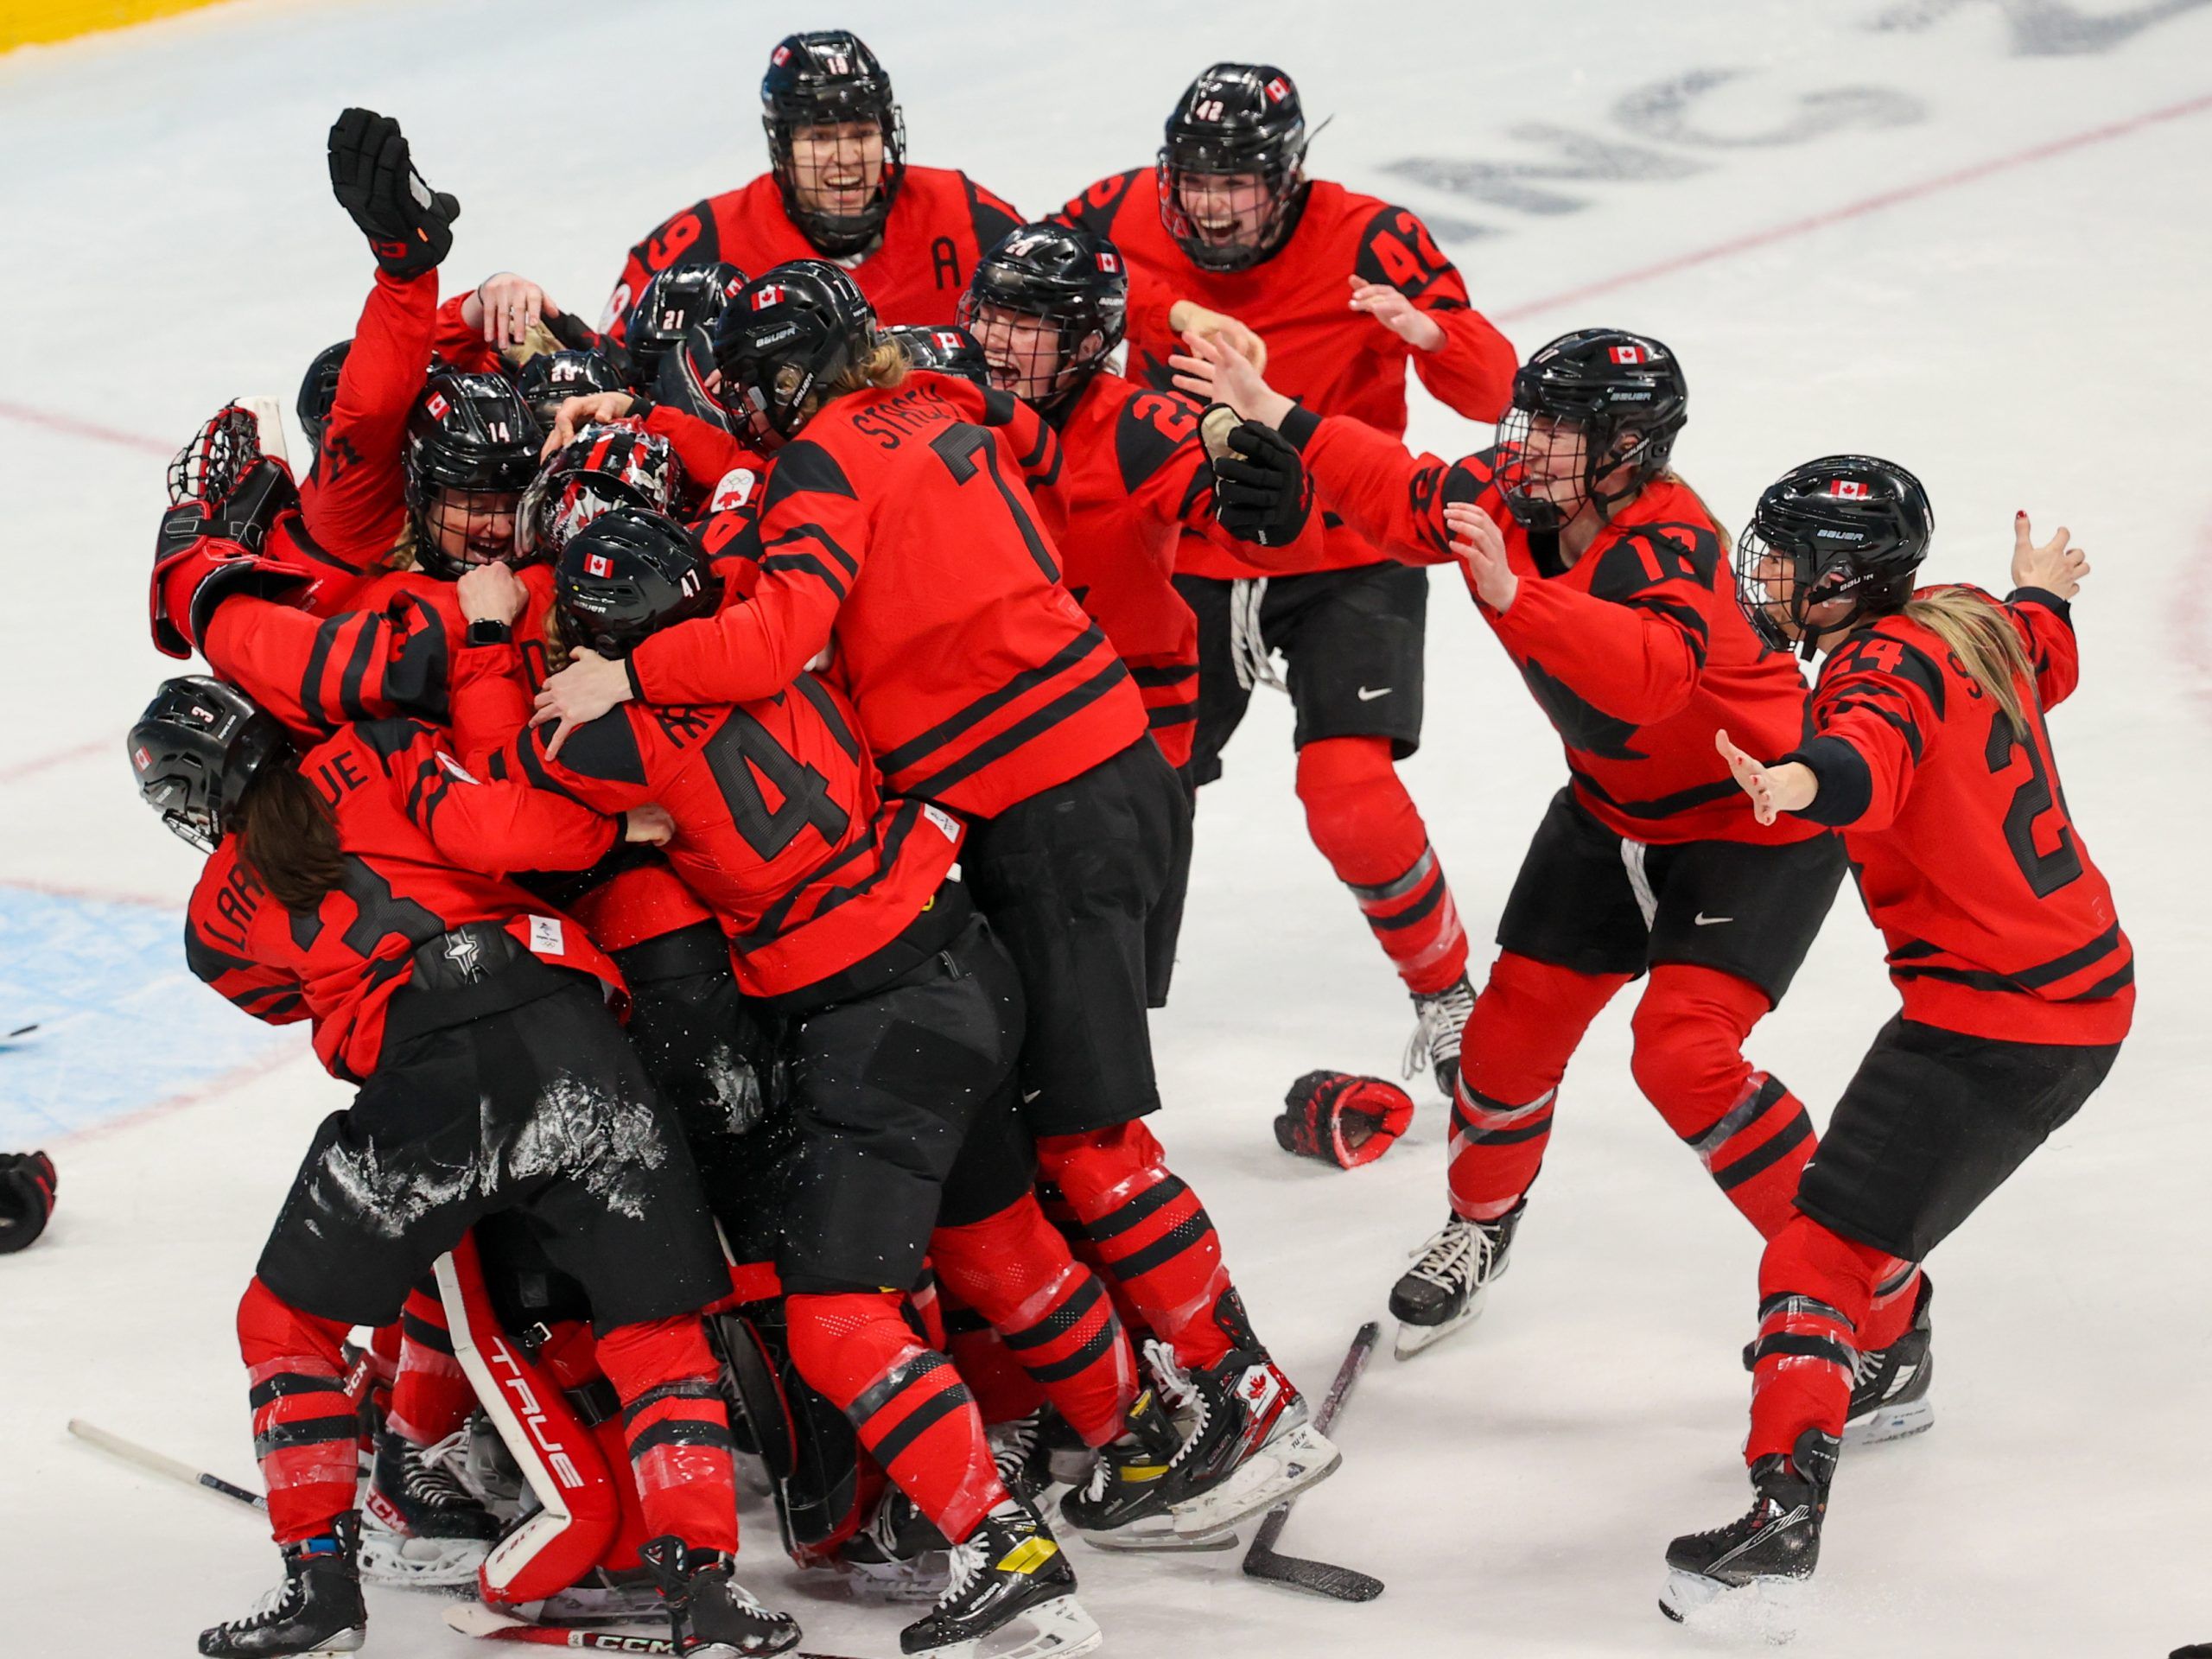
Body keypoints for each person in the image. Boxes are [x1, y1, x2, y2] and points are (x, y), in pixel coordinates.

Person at [531, 263, 1339, 1546]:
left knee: (1088, 1139)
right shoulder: (937, 400)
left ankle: (1246, 1397)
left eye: (756, 389)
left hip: (1049, 800)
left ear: (792, 380)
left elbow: (772, 640)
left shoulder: (820, 464)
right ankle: (1164, 1391)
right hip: (1102, 773)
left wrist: (626, 673)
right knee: (1064, 1122)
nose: (747, 409)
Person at [448, 507, 1129, 1656]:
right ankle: (1158, 1440)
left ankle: (1010, 1555)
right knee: (1002, 1242)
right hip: (963, 954)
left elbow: (496, 786)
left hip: (874, 1016)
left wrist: (485, 644)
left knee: (830, 1321)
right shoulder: (773, 648)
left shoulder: (615, 739)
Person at [1177, 328, 1859, 1363]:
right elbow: (1402, 489)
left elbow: (1649, 676)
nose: (1525, 445)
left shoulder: (1673, 545)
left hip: (1750, 826)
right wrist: (1275, 411)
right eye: (1529, 420)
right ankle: (1480, 1229)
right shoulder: (1512, 495)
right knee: (1499, 1053)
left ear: (1627, 449)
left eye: (1557, 430)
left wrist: (1514, 595)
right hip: (1607, 813)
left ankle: (1860, 1292)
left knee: (1685, 1059)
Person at [127, 675, 801, 1659]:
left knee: (284, 1323)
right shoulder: (382, 746)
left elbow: (272, 996)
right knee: (659, 1337)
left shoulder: (210, 922)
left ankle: (322, 1587)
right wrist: (614, 840)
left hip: (431, 1079)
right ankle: (703, 1589)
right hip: (569, 1036)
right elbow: (501, 833)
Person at [1660, 464, 2128, 1621]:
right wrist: (2046, 592)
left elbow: (1868, 760)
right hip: (2066, 994)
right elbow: (2041, 647)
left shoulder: (1874, 669)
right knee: (1849, 1236)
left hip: (1994, 1019)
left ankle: (1780, 1525)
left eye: (1788, 556)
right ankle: (1886, 1367)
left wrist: (1794, 779)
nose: (1763, 573)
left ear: (1844, 577)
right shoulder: (1968, 617)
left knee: (1814, 1256)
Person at [1057, 63, 1522, 1091]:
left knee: (1346, 792)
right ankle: (1089, 1026)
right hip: (1180, 548)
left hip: (1349, 547)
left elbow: (1495, 389)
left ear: (1293, 177)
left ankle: (1446, 997)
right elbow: (1022, 302)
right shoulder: (1107, 212)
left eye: (1241, 183)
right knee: (1127, 791)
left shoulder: (1371, 238)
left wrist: (1429, 331)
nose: (1214, 206)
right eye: (1196, 181)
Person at [957, 219, 1325, 1004]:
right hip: (966, 739)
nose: (998, 341)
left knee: (1087, 1009)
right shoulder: (943, 409)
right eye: (992, 315)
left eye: (1031, 326)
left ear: (1090, 344)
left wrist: (1269, 495)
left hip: (1119, 753)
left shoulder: (1140, 427)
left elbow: (1257, 535)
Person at [604, 31, 1020, 340]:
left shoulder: (960, 209)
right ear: (783, 148)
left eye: (861, 133)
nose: (846, 158)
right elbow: (614, 362)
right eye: (820, 138)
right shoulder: (707, 238)